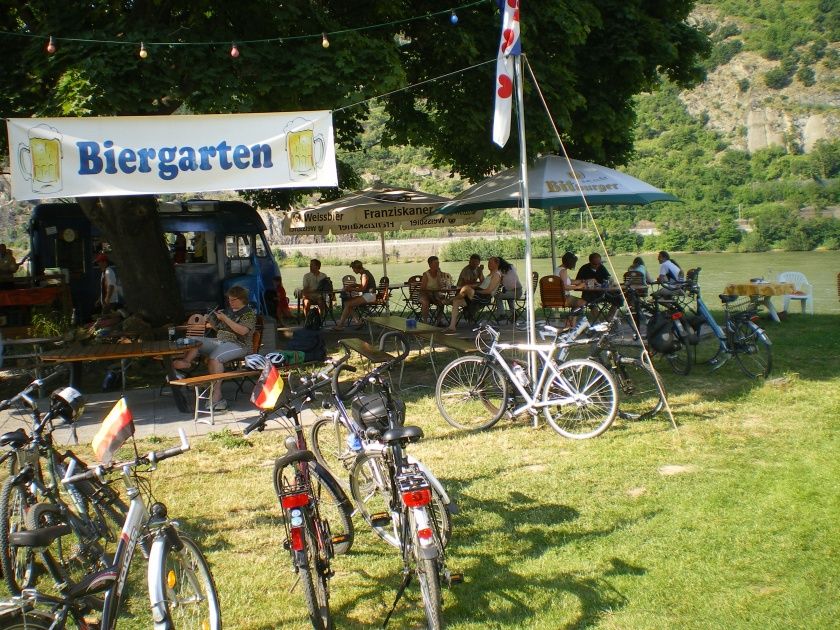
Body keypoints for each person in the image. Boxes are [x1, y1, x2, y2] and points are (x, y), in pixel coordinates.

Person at [173, 285, 256, 411]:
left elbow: (243, 331)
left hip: (239, 344)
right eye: (229, 299)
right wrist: (211, 319)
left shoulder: (248, 313)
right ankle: (186, 363)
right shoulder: (228, 311)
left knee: (215, 358)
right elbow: (220, 328)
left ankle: (217, 396)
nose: (230, 302)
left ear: (242, 299)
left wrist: (226, 319)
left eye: (233, 300)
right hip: (220, 341)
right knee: (195, 341)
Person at [445, 256, 502, 333]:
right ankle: (452, 327)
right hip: (478, 295)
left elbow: (488, 291)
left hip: (484, 297)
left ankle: (450, 299)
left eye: (491, 263)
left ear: (497, 264)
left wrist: (476, 291)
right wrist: (475, 288)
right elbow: (481, 284)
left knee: (466, 288)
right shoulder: (490, 274)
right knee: (457, 302)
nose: (488, 264)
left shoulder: (496, 275)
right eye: (488, 263)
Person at [334, 260, 376, 331]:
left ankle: (340, 325)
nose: (353, 271)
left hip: (369, 296)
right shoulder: (365, 273)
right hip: (369, 295)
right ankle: (358, 322)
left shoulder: (364, 275)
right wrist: (355, 285)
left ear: (356, 268)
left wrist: (351, 288)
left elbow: (362, 288)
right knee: (348, 304)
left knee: (347, 304)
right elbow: (364, 285)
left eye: (353, 269)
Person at [575, 252, 621, 316]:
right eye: (595, 264)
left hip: (602, 292)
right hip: (589, 293)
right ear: (590, 262)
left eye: (599, 263)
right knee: (590, 300)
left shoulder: (601, 267)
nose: (597, 265)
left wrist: (611, 282)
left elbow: (608, 278)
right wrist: (587, 282)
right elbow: (577, 282)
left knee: (618, 296)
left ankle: (609, 320)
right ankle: (597, 322)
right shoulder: (584, 269)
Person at [419, 256, 453, 325]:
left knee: (441, 301)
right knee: (425, 302)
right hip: (425, 294)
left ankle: (439, 321)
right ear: (430, 265)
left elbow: (441, 287)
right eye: (435, 263)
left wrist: (438, 276)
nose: (437, 265)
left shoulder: (440, 274)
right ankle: (425, 322)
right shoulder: (426, 274)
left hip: (435, 295)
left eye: (438, 263)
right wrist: (431, 292)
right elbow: (422, 288)